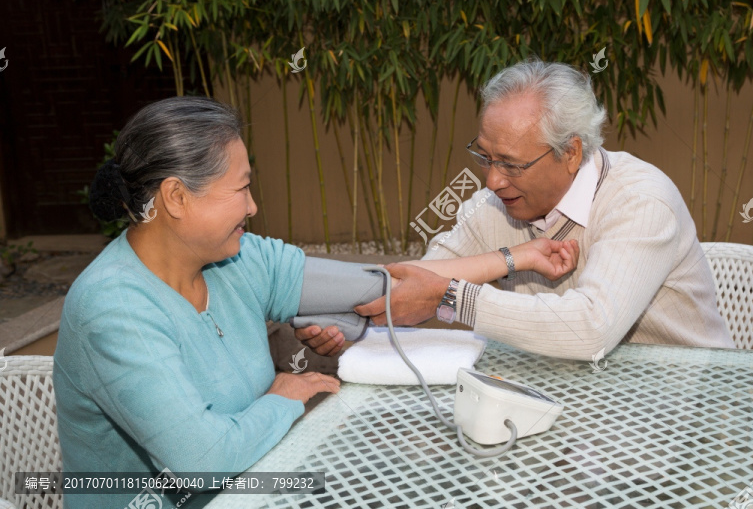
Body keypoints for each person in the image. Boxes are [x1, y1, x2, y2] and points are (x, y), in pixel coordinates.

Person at [55, 96, 579, 509]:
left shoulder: (239, 261)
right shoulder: (114, 310)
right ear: (176, 197)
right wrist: (282, 397)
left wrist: (516, 257)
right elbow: (203, 462)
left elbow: (383, 285)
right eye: (241, 189)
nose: (254, 206)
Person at [297, 59, 736, 361]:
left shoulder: (639, 201)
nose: (492, 180)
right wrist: (342, 316)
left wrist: (453, 298)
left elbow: (591, 329)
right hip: (573, 404)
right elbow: (423, 279)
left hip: (688, 411)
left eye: (511, 164)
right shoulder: (498, 202)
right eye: (484, 157)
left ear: (570, 152)